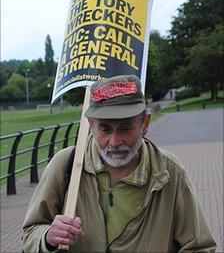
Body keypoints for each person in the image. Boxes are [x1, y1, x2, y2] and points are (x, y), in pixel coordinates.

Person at [22, 74, 216, 252]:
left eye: (125, 128)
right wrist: (47, 237)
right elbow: (30, 235)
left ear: (145, 124)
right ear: (91, 125)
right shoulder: (66, 165)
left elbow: (199, 246)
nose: (114, 142)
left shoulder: (169, 172)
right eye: (105, 129)